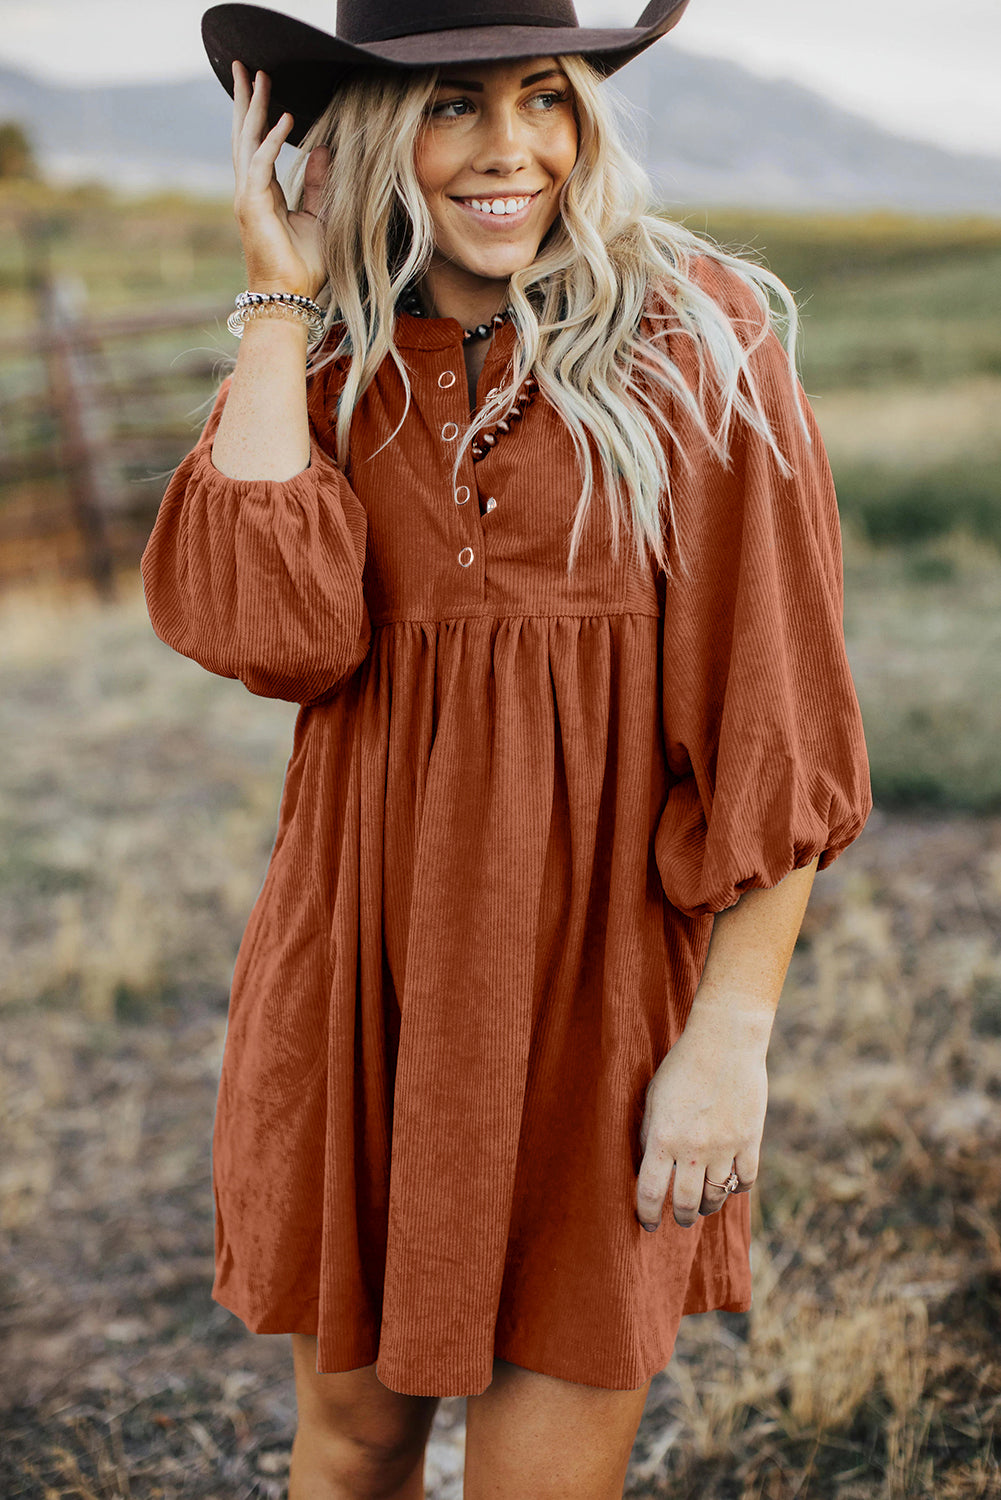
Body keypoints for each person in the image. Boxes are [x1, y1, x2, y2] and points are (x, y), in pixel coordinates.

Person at [140, 0, 873, 1494]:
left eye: (543, 97)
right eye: (449, 105)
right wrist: (278, 297)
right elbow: (278, 637)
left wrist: (727, 1039)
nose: (509, 150)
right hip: (361, 982)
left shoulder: (701, 347)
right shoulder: (334, 362)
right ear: (354, 137)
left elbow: (775, 732)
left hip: (595, 1007)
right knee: (350, 1451)